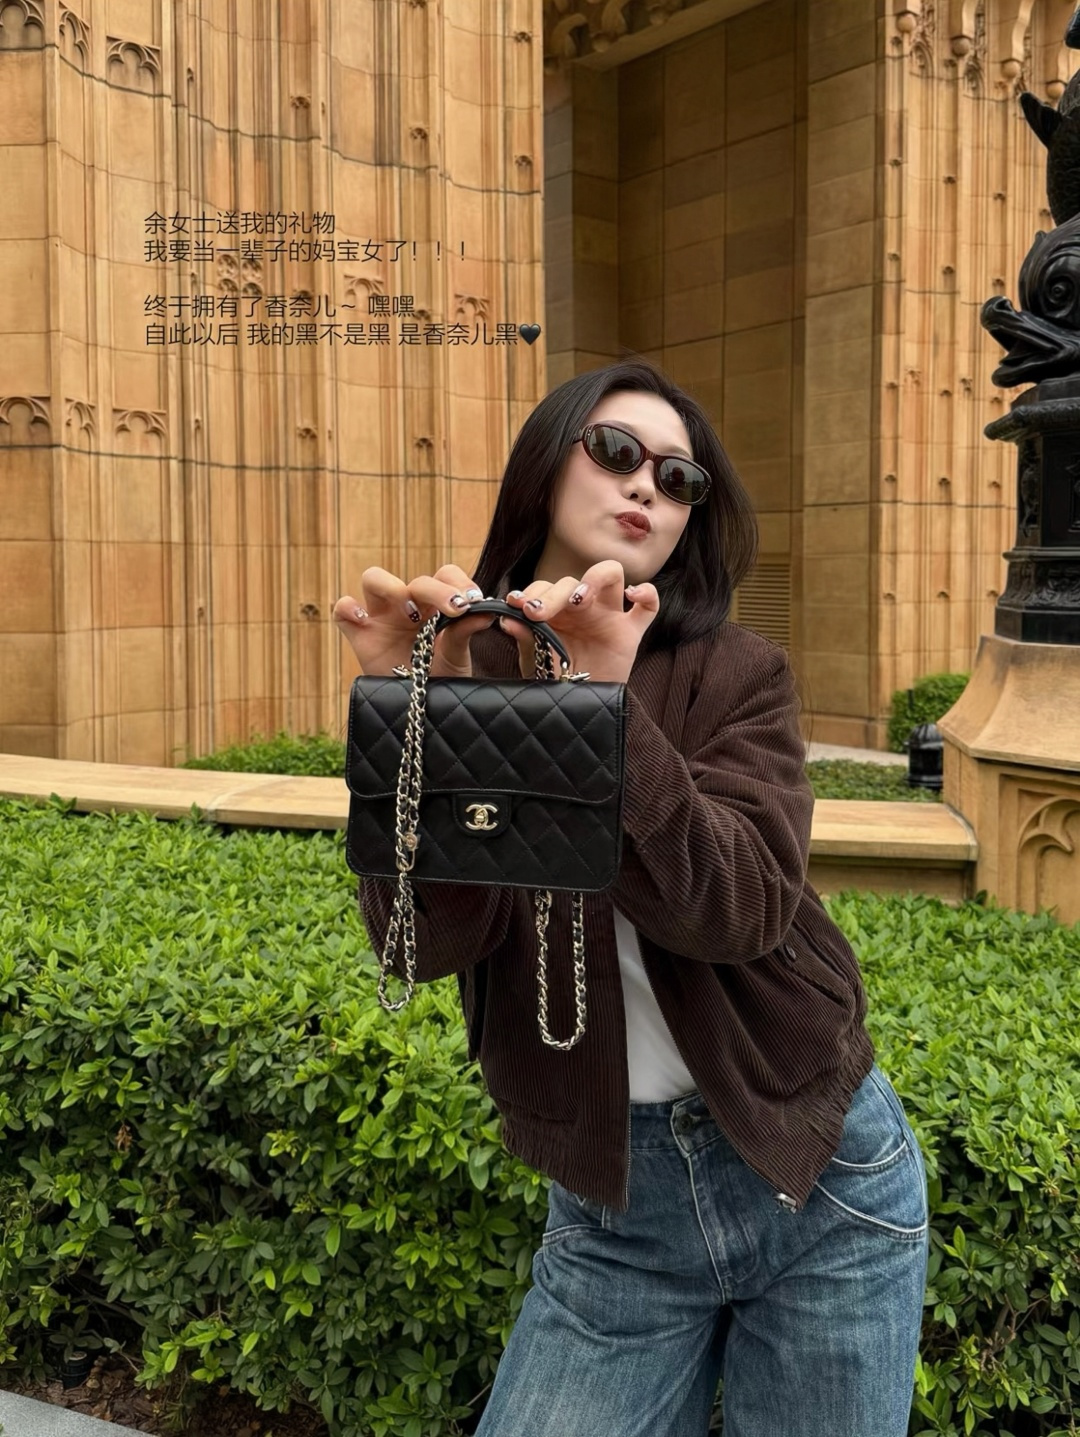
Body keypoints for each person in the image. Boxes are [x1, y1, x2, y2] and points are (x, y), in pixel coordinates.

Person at [333, 358, 930, 1437]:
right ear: (544, 465)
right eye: (616, 451)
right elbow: (424, 943)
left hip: (817, 1175)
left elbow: (740, 908)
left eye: (680, 476)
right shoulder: (458, 665)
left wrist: (607, 708)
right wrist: (407, 707)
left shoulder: (737, 674)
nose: (647, 484)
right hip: (619, 1219)